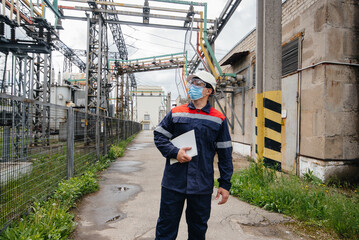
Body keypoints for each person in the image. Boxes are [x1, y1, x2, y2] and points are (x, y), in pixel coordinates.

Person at [154, 71, 233, 240]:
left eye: (198, 83)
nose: (193, 86)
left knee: (198, 231)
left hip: (201, 184)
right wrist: (175, 152)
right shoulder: (176, 113)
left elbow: (225, 154)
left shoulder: (218, 119)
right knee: (165, 229)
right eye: (192, 82)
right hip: (173, 182)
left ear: (208, 91)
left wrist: (225, 184)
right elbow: (159, 136)